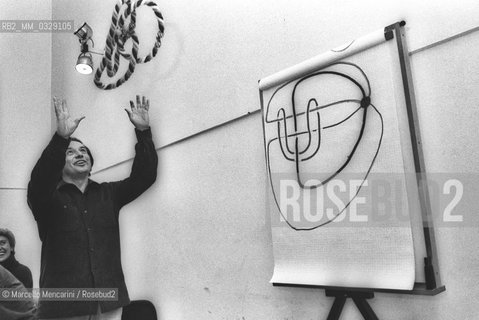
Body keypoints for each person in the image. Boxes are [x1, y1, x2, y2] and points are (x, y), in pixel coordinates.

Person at [27, 95, 158, 319]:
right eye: (71, 151)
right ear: (60, 164)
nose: (79, 154)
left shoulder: (109, 194)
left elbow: (144, 177)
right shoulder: (47, 199)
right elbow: (39, 181)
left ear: (90, 164)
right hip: (63, 306)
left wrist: (144, 133)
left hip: (108, 303)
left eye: (84, 151)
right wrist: (60, 139)